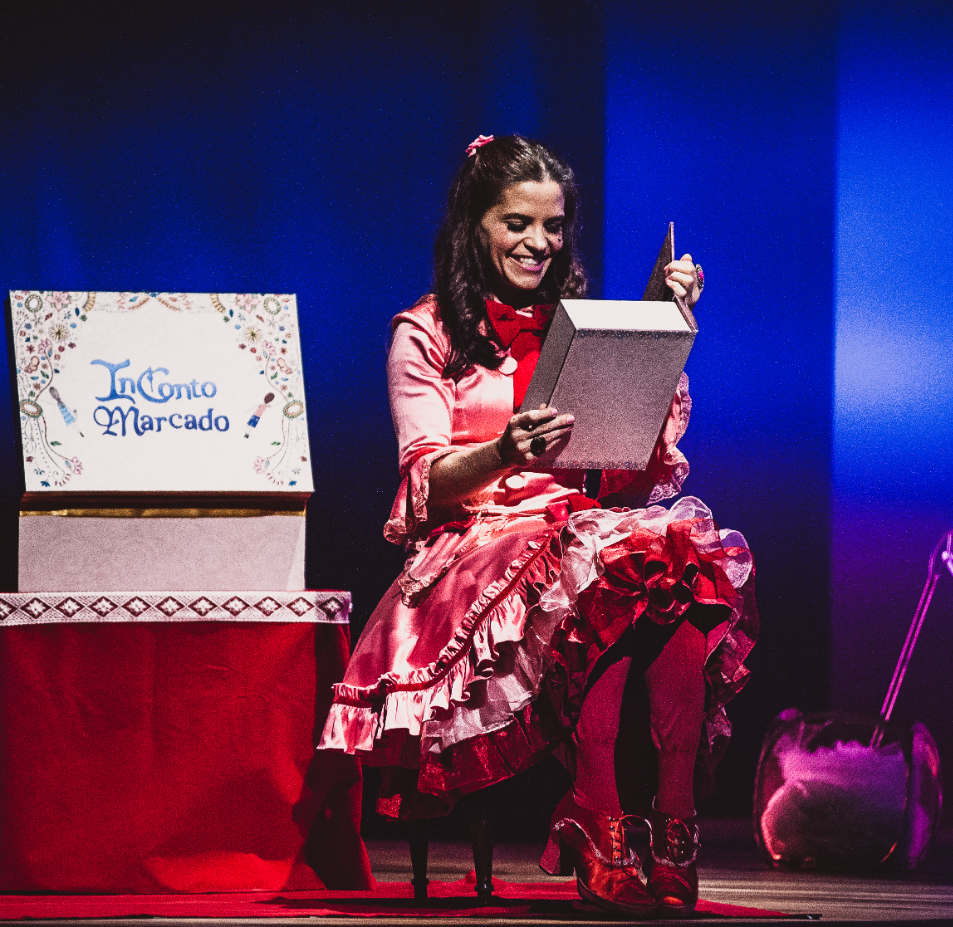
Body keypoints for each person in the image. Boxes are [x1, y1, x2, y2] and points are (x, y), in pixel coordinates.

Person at [317, 134, 757, 917]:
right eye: (517, 223)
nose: (538, 243)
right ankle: (598, 814)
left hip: (579, 527)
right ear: (474, 225)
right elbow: (425, 479)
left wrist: (658, 328)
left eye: (553, 226)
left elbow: (623, 470)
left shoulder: (575, 325)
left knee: (672, 561)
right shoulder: (425, 331)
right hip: (479, 538)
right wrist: (504, 450)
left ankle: (675, 825)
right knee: (603, 566)